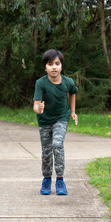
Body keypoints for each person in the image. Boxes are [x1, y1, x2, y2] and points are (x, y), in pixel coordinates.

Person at [33, 49, 78, 195]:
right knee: (46, 152)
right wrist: (39, 109)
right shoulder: (41, 83)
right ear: (45, 67)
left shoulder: (68, 82)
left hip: (61, 118)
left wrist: (72, 111)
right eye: (50, 64)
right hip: (44, 121)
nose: (54, 67)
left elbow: (72, 93)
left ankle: (60, 180)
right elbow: (36, 105)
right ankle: (46, 180)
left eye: (57, 64)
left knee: (57, 144)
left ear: (61, 66)